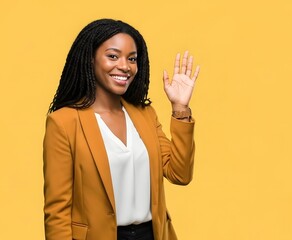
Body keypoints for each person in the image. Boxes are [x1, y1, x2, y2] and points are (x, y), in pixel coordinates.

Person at [43, 18, 200, 240]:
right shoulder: (64, 123)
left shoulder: (144, 114)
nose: (125, 66)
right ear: (90, 59)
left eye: (132, 58)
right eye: (113, 56)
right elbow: (57, 210)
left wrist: (181, 109)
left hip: (152, 234)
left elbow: (180, 174)